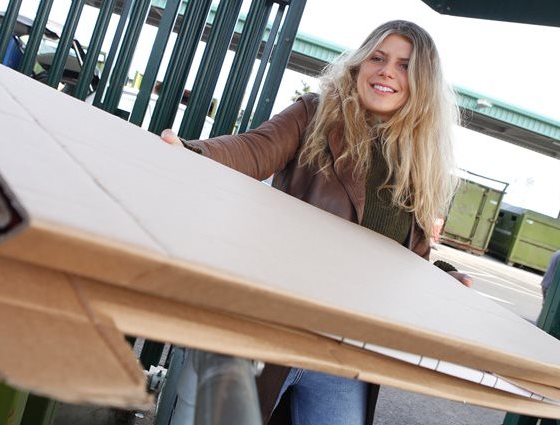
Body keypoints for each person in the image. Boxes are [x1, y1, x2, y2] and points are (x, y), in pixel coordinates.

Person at [160, 20, 470, 425]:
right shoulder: (315, 114)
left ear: (422, 83)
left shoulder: (417, 167)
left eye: (404, 65)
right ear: (359, 65)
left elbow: (409, 262)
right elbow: (256, 148)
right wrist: (193, 152)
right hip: (269, 329)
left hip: (344, 354)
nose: (387, 71)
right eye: (377, 58)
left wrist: (445, 277)